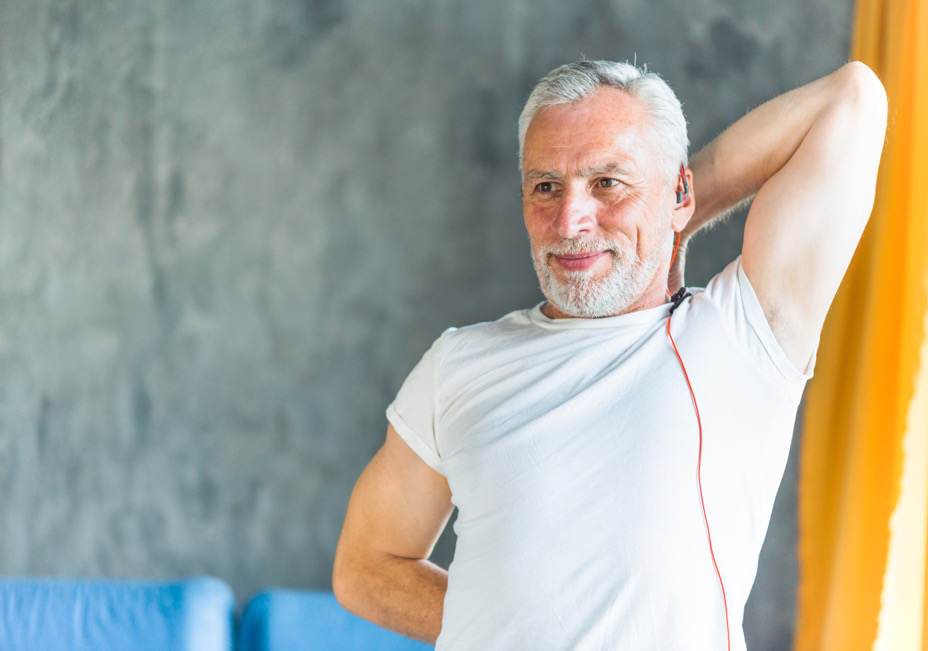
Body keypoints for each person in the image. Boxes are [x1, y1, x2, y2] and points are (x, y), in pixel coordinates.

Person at [332, 58, 887, 649]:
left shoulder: (739, 335)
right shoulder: (458, 364)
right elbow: (365, 568)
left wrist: (673, 224)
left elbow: (853, 100)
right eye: (546, 186)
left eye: (608, 183)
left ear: (678, 191)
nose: (570, 221)